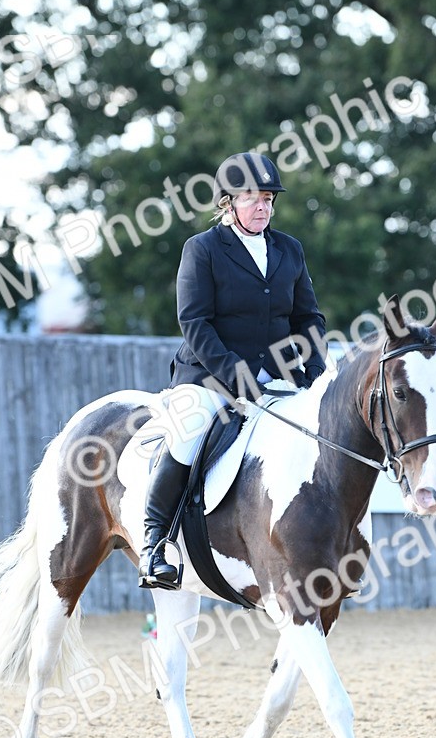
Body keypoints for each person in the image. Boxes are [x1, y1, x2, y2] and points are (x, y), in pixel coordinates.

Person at [138, 151, 327, 589]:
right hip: (209, 376)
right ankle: (154, 544)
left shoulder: (288, 250)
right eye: (251, 198)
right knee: (189, 433)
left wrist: (314, 368)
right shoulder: (202, 249)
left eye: (268, 198)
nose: (262, 206)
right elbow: (195, 323)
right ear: (227, 202)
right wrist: (238, 378)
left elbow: (309, 319)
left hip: (277, 378)